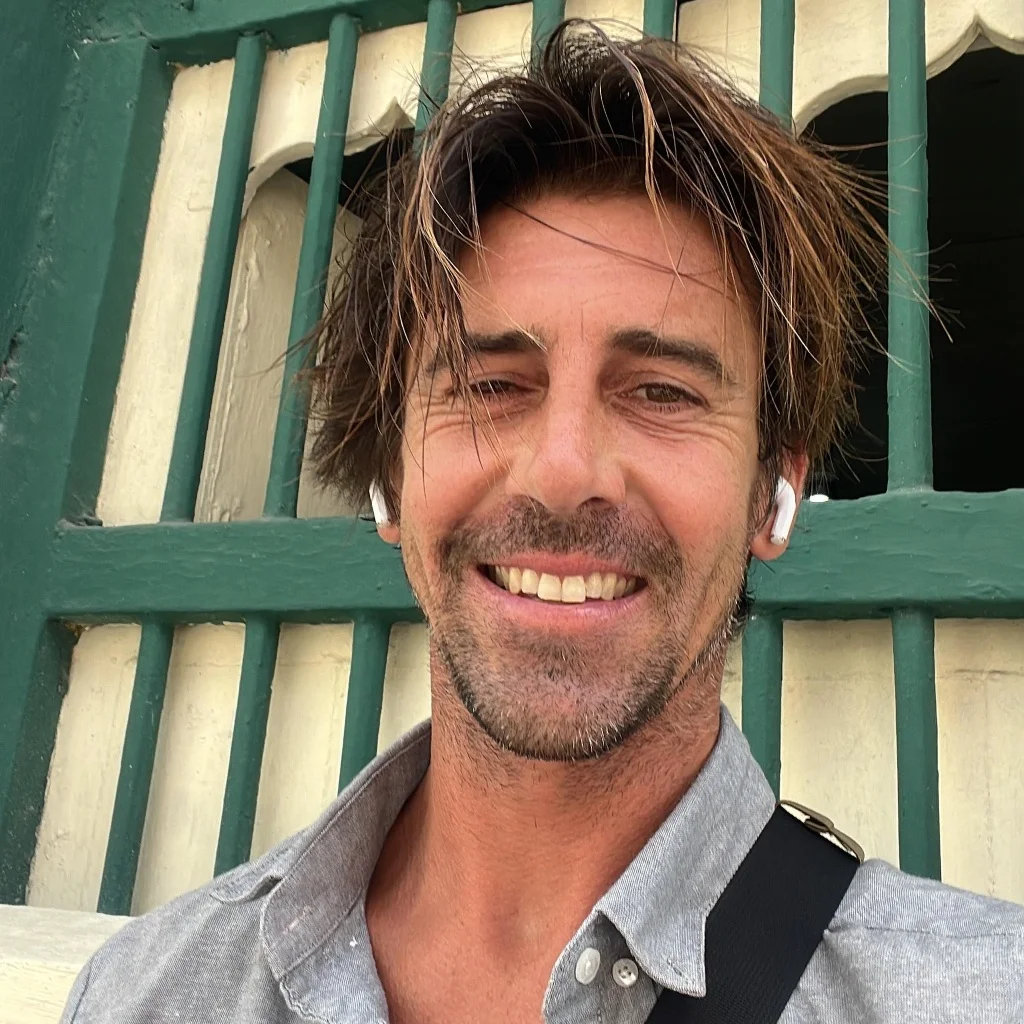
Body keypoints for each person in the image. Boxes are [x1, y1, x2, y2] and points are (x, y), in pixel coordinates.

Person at [62, 22, 1023, 1024]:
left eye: (660, 390)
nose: (563, 473)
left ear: (770, 496)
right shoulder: (150, 989)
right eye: (489, 385)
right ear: (389, 476)